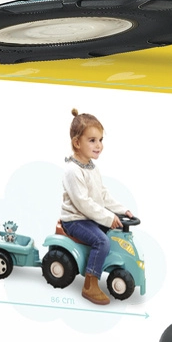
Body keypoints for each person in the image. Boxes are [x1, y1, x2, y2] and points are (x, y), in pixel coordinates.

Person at [61, 109, 132, 306]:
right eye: (92, 140)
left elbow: (102, 195)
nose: (99, 145)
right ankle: (90, 284)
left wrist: (121, 210)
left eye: (100, 140)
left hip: (88, 217)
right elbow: (83, 203)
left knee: (114, 232)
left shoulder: (91, 167)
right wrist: (108, 218)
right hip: (75, 220)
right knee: (102, 241)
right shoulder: (73, 171)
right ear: (77, 143)